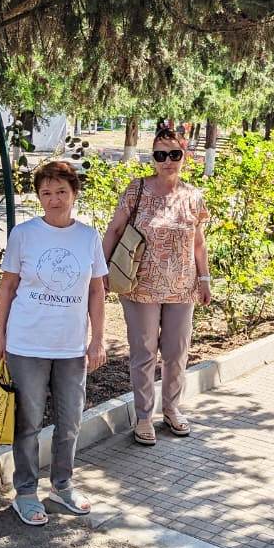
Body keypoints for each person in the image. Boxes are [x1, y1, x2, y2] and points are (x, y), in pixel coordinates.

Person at [0, 161, 107, 526]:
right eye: (46, 193)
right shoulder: (24, 234)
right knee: (27, 422)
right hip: (26, 343)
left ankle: (62, 485)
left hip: (71, 347)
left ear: (74, 194)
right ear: (38, 197)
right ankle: (25, 492)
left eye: (61, 192)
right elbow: (8, 287)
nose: (54, 199)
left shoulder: (88, 237)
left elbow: (97, 291)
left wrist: (98, 339)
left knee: (70, 421)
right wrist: (0, 336)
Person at [102, 127, 212, 446]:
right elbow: (114, 230)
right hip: (140, 286)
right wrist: (101, 270)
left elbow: (198, 243)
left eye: (174, 154)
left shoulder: (193, 196)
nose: (167, 161)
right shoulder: (136, 189)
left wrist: (204, 279)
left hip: (182, 287)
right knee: (144, 352)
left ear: (184, 156)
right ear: (153, 158)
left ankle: (172, 409)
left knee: (177, 352)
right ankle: (144, 416)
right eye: (160, 155)